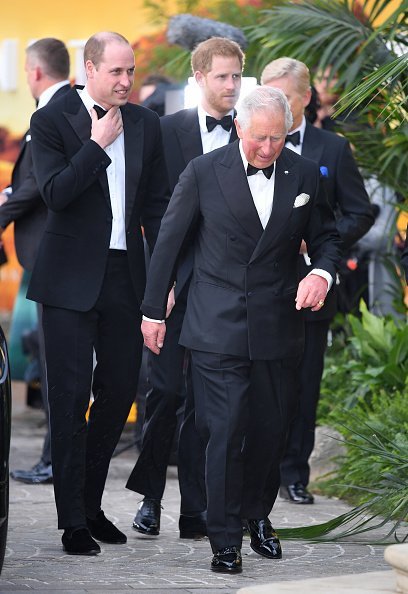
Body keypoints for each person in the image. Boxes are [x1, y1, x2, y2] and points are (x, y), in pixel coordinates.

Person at [140, 85, 342, 573]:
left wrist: (321, 272)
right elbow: (168, 242)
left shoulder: (303, 174)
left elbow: (327, 237)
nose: (267, 148)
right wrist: (152, 311)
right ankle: (224, 537)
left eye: (276, 138)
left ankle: (257, 515)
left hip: (278, 323)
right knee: (227, 431)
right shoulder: (204, 172)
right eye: (259, 138)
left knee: (271, 430)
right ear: (238, 128)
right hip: (217, 325)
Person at [27, 31, 169, 556]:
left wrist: (164, 281)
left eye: (130, 71)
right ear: (89, 69)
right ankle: (72, 522)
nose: (126, 81)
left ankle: (91, 503)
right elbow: (55, 195)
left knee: (116, 397)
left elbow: (157, 208)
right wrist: (96, 146)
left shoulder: (147, 124)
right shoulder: (51, 119)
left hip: (125, 277)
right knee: (68, 401)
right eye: (116, 72)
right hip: (66, 281)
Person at [126, 36, 244, 540]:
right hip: (174, 282)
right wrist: (162, 283)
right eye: (221, 76)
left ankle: (194, 508)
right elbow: (154, 211)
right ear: (198, 78)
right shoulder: (166, 129)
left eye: (238, 76)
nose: (231, 86)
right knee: (165, 390)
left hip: (222, 289)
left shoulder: (251, 135)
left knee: (201, 400)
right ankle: (151, 496)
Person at [260, 57, 374, 504]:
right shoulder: (252, 144)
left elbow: (360, 212)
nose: (273, 105)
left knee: (304, 386)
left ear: (306, 99)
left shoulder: (332, 149)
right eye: (266, 95)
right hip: (260, 288)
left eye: (283, 97)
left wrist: (317, 244)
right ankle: (257, 470)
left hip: (314, 286)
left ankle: (294, 475)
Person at [0, 38, 71, 485]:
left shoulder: (53, 110)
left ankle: (54, 460)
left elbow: (34, 186)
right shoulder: (65, 105)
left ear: (35, 72)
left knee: (57, 361)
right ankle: (54, 457)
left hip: (54, 256)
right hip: (52, 255)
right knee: (54, 359)